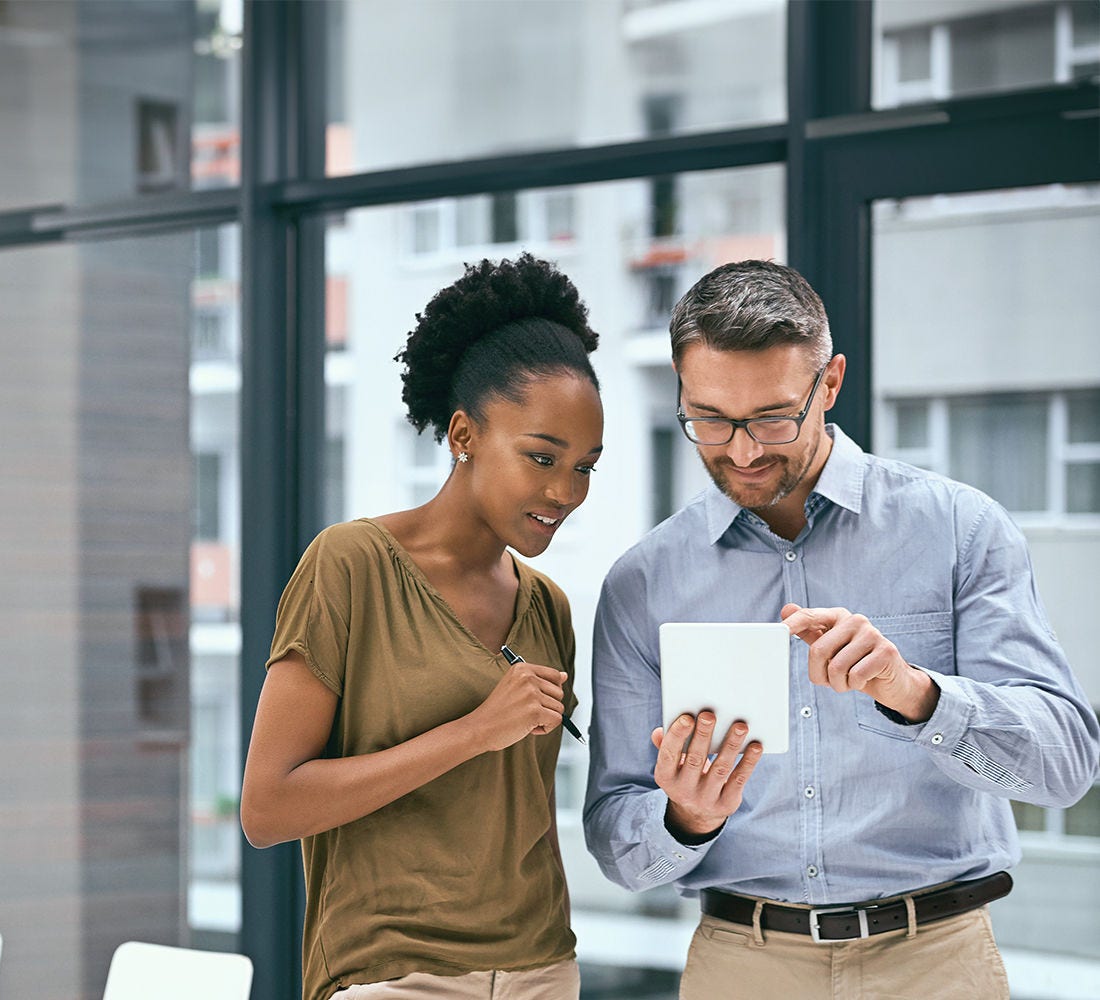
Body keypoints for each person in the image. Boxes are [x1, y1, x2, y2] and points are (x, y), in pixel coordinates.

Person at [583, 259, 1099, 998]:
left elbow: (1067, 765)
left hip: (935, 964)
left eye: (772, 417)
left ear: (830, 384)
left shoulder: (959, 530)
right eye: (710, 419)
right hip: (743, 967)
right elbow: (614, 839)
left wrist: (918, 694)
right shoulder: (643, 583)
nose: (742, 450)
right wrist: (684, 820)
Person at [241, 254, 605, 1000]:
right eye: (542, 457)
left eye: (585, 467)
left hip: (544, 968)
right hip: (394, 975)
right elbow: (267, 808)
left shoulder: (547, 606)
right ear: (465, 434)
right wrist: (475, 730)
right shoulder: (350, 566)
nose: (565, 491)